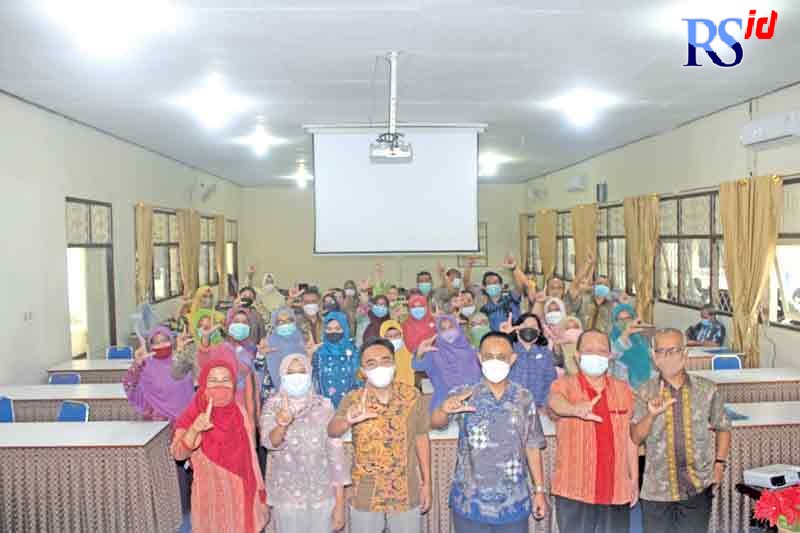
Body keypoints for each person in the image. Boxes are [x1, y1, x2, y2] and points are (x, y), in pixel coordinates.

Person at [432, 331, 547, 532]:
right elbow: (436, 423)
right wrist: (443, 409)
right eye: (488, 357)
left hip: (512, 503)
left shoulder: (524, 398)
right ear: (479, 358)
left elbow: (532, 446)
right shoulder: (464, 394)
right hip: (470, 502)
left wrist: (539, 490)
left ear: (512, 359)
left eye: (501, 357)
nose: (495, 362)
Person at [631, 328, 731, 533]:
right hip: (657, 490)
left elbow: (724, 427)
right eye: (661, 351)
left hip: (696, 485)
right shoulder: (643, 392)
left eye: (674, 350)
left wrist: (719, 464)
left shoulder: (707, 390)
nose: (667, 357)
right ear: (654, 357)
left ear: (685, 354)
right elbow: (635, 436)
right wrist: (651, 414)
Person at [328, 338, 432, 533]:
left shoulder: (412, 396)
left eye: (385, 360)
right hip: (365, 492)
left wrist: (427, 483)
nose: (380, 366)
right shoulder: (353, 399)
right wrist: (348, 421)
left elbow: (421, 438)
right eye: (371, 363)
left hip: (405, 490)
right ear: (362, 370)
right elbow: (332, 430)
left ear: (394, 363)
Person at [547, 330, 638, 532]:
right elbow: (554, 403)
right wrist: (574, 409)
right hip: (574, 488)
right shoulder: (563, 385)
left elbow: (630, 438)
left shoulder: (623, 390)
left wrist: (633, 480)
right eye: (589, 351)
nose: (595, 355)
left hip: (616, 488)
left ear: (609, 356)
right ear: (577, 356)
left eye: (601, 351)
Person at [172, 359, 268, 533]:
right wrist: (194, 429)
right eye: (213, 380)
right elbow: (178, 454)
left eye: (225, 380)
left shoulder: (239, 411)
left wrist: (260, 492)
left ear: (233, 384)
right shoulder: (193, 412)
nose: (220, 385)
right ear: (203, 383)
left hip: (243, 494)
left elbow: (251, 458)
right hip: (210, 499)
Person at [261, 354, 350, 532]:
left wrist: (339, 503)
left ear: (310, 375)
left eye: (301, 372)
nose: (296, 377)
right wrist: (281, 425)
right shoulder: (272, 406)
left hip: (322, 497)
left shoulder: (324, 406)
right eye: (290, 372)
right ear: (281, 376)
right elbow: (270, 442)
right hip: (287, 498)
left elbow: (336, 456)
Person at [413, 315, 482, 412]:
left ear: (458, 328)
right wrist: (420, 354)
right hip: (445, 404)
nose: (448, 332)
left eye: (451, 327)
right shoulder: (434, 352)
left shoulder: (472, 349)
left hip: (475, 401)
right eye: (443, 329)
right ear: (438, 332)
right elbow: (417, 366)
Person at [125, 326, 195, 422]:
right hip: (159, 423)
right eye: (156, 343)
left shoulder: (182, 358)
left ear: (171, 341)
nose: (161, 345)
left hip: (187, 421)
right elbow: (129, 386)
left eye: (165, 340)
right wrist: (137, 364)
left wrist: (181, 352)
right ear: (150, 346)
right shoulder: (146, 365)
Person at [502, 313, 557, 408]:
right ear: (517, 330)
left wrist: (542, 406)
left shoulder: (545, 353)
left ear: (539, 332)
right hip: (508, 408)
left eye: (533, 326)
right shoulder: (507, 349)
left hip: (538, 408)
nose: (529, 329)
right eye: (525, 325)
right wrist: (504, 337)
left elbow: (551, 382)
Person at [312, 312, 360, 408]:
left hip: (349, 403)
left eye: (338, 329)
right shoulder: (319, 352)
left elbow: (358, 378)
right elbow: (315, 378)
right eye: (329, 329)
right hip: (325, 406)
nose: (333, 332)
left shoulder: (353, 351)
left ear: (345, 329)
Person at [610, 303, 655, 389]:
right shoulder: (611, 338)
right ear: (614, 321)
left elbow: (650, 358)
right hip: (623, 387)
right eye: (620, 319)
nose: (624, 322)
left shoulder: (640, 337)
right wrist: (626, 333)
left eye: (628, 318)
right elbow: (612, 353)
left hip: (646, 384)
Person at [263, 306, 306, 392]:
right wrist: (260, 355)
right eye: (280, 322)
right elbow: (259, 370)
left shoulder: (303, 340)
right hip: (276, 394)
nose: (285, 324)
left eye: (289, 320)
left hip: (304, 393)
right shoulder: (268, 344)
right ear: (275, 325)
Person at [480, 254, 527, 331]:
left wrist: (514, 269)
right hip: (495, 340)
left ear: (501, 285)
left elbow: (519, 287)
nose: (492, 285)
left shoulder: (511, 298)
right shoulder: (484, 308)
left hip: (514, 338)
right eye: (489, 283)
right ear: (484, 287)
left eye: (495, 282)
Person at [380, 319, 415, 387]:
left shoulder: (408, 351)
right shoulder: (379, 355)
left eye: (396, 335)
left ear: (401, 335)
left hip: (408, 390)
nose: (394, 338)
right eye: (389, 336)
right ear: (383, 338)